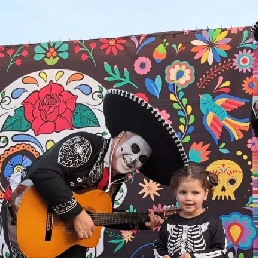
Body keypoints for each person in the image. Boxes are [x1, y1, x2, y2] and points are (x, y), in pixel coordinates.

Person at [4, 88, 189, 258]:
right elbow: (43, 172)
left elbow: (99, 214)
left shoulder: (116, 178)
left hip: (65, 239)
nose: (134, 159)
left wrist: (141, 222)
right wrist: (76, 213)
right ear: (121, 136)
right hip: (29, 216)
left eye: (141, 159)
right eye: (134, 148)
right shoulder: (85, 145)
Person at [153, 162, 228, 258]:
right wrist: (162, 256)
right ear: (176, 193)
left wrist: (194, 256)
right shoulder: (169, 222)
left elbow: (221, 251)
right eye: (183, 192)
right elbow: (158, 247)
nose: (188, 198)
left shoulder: (214, 222)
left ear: (205, 194)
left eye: (195, 193)